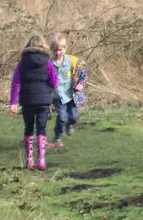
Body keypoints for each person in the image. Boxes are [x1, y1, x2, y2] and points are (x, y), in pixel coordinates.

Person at [8, 35, 57, 171]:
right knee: (41, 128)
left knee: (28, 127)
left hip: (27, 99)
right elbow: (54, 81)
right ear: (43, 46)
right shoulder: (47, 62)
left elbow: (16, 82)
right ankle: (41, 160)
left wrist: (13, 102)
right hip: (43, 100)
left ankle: (29, 159)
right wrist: (48, 88)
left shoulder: (22, 62)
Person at [48, 33, 87, 149]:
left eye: (60, 50)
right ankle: (57, 136)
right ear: (51, 50)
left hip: (70, 94)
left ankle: (69, 125)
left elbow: (83, 72)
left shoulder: (72, 61)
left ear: (65, 48)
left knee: (74, 117)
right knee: (62, 117)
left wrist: (80, 83)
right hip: (57, 94)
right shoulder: (49, 63)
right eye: (55, 50)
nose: (58, 52)